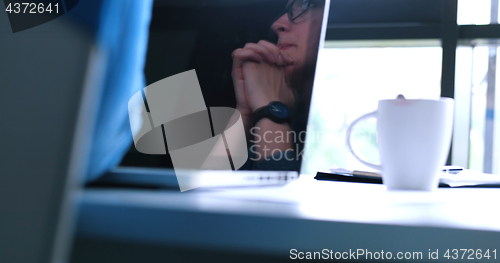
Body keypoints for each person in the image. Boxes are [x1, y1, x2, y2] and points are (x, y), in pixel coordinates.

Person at [232, 0, 325, 171]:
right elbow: (198, 194)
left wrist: (270, 110)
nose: (277, 25)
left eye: (307, 5)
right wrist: (245, 112)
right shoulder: (297, 134)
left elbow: (273, 195)